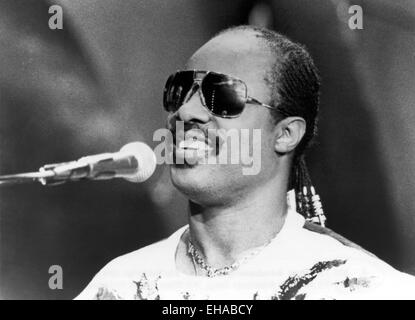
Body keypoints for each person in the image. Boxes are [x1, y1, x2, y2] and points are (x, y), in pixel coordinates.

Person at [76, 25, 415, 300]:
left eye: (222, 96)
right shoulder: (118, 286)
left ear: (285, 134)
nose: (185, 112)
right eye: (179, 91)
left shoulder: (356, 286)